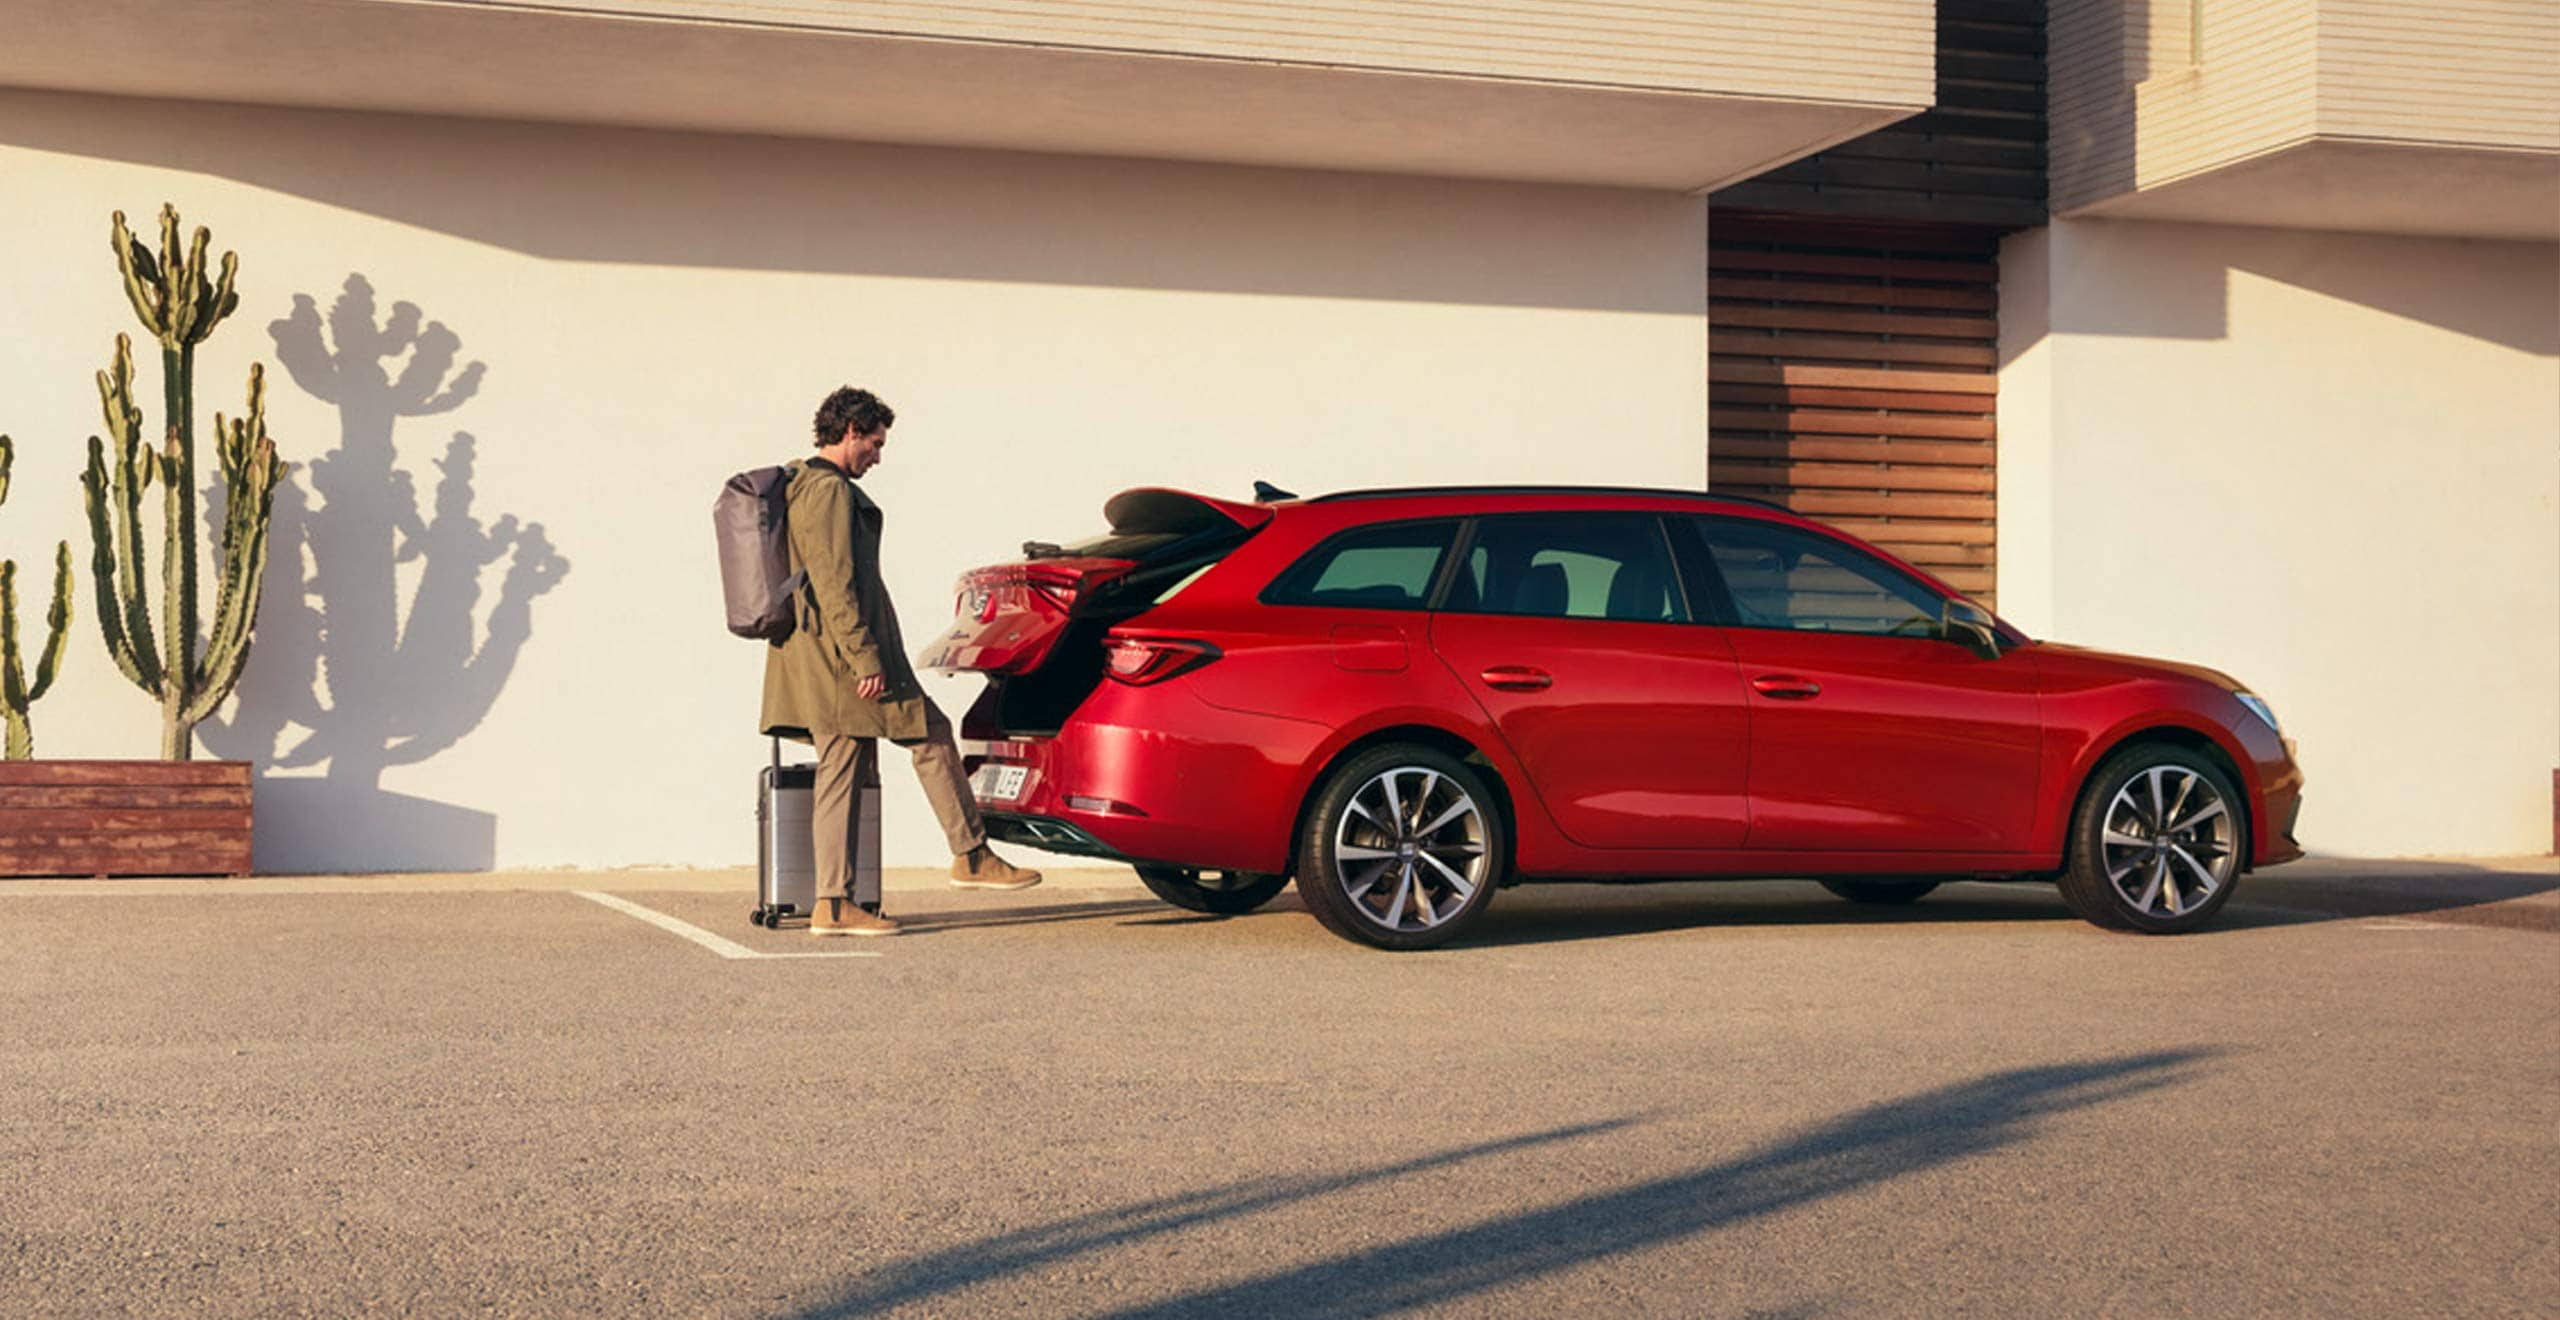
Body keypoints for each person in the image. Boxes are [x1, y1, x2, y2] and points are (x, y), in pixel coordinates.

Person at [761, 386, 1041, 936]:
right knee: (923, 736)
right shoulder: (827, 492)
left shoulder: (806, 485)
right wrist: (865, 657)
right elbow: (834, 582)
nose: (879, 456)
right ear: (849, 432)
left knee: (849, 765)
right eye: (874, 442)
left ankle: (837, 903)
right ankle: (964, 858)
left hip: (828, 657)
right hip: (845, 661)